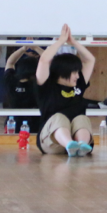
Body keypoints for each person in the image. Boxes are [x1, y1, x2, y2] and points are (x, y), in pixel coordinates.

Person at [35, 25, 97, 156]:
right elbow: (44, 60)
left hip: (75, 138)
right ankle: (70, 144)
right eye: (74, 72)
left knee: (81, 118)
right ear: (63, 71)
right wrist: (60, 41)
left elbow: (90, 60)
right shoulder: (47, 86)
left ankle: (81, 146)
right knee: (59, 118)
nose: (78, 76)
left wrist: (73, 42)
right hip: (51, 143)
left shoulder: (78, 84)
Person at [4, 44, 42, 110]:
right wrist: (36, 48)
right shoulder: (38, 84)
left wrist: (23, 49)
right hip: (35, 116)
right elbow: (52, 61)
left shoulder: (11, 80)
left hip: (13, 116)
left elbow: (10, 62)